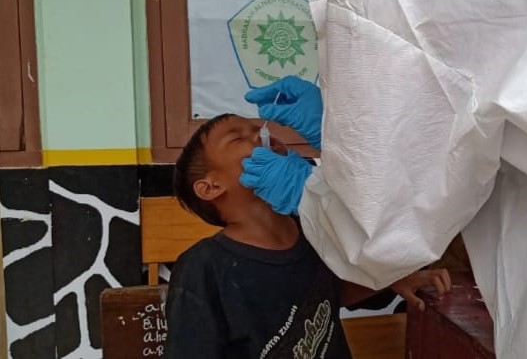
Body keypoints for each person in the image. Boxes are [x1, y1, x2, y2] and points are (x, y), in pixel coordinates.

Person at [241, 0, 527, 358]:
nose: (251, 138)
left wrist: (309, 193)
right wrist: (344, 124)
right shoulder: (208, 269)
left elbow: (380, 229)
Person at [165, 113, 452, 358]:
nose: (260, 135)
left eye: (256, 129)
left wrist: (391, 278)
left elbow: (328, 292)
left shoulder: (310, 227)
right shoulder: (203, 267)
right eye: (237, 138)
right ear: (211, 187)